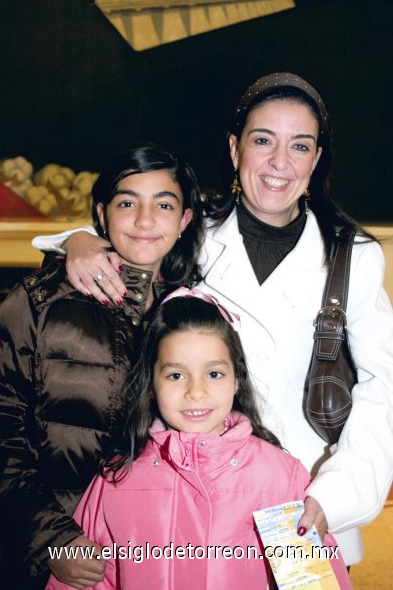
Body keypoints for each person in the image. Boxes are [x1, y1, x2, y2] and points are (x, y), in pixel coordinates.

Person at [32, 72, 393, 566]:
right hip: (186, 501)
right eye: (262, 140)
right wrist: (77, 240)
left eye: (300, 146)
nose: (279, 163)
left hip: (297, 506)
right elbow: (135, 226)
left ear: (318, 158)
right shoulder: (191, 228)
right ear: (234, 147)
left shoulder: (354, 256)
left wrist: (337, 494)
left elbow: (384, 387)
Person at [0, 143, 204, 589]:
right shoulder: (38, 302)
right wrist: (50, 538)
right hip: (47, 560)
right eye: (128, 203)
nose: (145, 220)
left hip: (153, 557)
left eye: (163, 205)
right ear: (102, 214)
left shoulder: (196, 315)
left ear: (185, 220)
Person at [45, 291, 352, 590]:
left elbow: (309, 582)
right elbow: (83, 576)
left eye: (214, 374)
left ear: (236, 380)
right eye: (176, 375)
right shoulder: (117, 477)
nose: (196, 391)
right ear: (151, 384)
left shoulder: (277, 477)